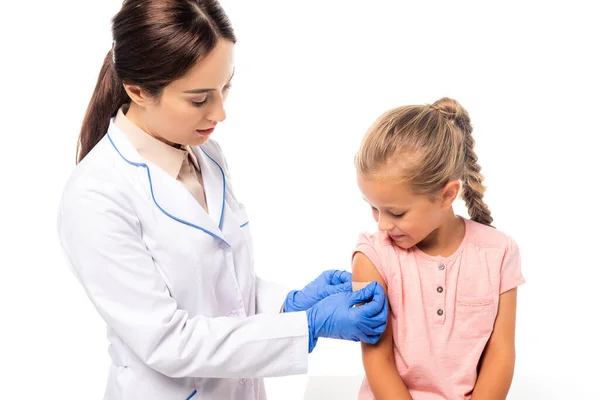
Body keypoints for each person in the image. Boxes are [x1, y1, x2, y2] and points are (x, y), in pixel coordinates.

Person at [56, 1, 387, 399]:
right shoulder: (96, 196)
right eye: (199, 99)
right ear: (138, 90)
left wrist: (291, 303)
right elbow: (167, 341)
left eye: (225, 87)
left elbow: (224, 288)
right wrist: (307, 327)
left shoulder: (206, 156)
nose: (220, 113)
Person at [352, 97, 525, 400]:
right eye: (374, 209)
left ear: (447, 195)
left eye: (396, 212)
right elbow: (377, 359)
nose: (382, 225)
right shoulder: (373, 256)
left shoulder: (499, 253)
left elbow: (500, 354)